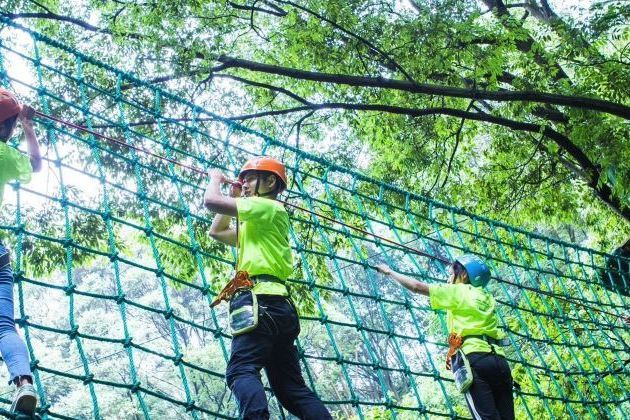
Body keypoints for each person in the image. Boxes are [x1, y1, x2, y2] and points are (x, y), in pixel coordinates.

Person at [203, 156, 331, 419]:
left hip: (260, 303)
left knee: (241, 370)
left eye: (250, 178)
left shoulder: (266, 207)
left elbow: (210, 201)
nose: (244, 183)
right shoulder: (259, 223)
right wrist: (234, 195)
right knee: (289, 388)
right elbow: (217, 232)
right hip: (279, 308)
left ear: (270, 181)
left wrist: (214, 179)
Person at [377, 255, 514, 420]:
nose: (449, 278)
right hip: (499, 362)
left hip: (475, 360)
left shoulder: (458, 291)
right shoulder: (487, 297)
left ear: (463, 275)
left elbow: (416, 286)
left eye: (452, 274)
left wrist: (389, 272)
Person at [0, 88, 42, 416]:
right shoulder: (5, 156)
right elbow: (36, 165)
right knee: (3, 326)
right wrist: (28, 125)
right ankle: (24, 383)